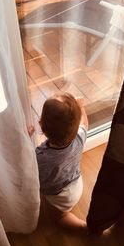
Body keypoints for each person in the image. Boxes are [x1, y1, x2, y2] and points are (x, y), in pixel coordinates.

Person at [35, 93, 88, 230]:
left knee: (59, 218)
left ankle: (83, 227)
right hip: (76, 183)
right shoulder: (80, 138)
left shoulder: (40, 157)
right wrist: (81, 108)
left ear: (41, 125)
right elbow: (84, 124)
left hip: (59, 197)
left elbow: (25, 162)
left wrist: (25, 137)